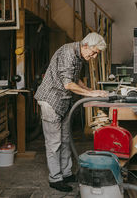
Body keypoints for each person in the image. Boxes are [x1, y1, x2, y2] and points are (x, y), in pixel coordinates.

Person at [34, 32, 108, 192]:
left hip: (65, 101)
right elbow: (68, 84)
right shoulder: (68, 53)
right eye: (94, 52)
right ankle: (55, 178)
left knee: (66, 138)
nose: (94, 56)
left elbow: (75, 79)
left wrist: (90, 90)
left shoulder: (79, 55)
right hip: (50, 100)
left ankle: (66, 174)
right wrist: (91, 94)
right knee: (54, 143)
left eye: (97, 54)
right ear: (86, 45)